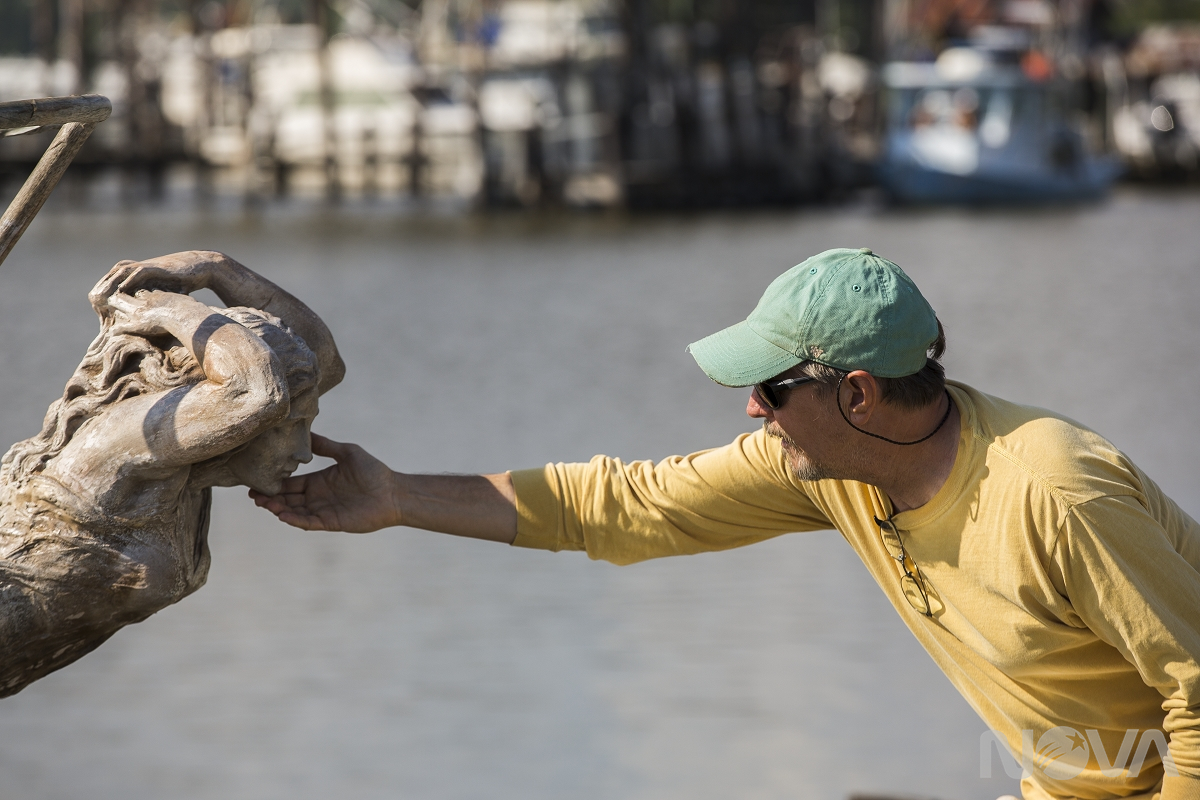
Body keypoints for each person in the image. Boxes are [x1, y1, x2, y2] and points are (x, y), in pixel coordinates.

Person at [251, 247, 1200, 800]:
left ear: (858, 393)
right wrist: (398, 498)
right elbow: (624, 504)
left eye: (770, 388)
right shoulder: (831, 471)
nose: (751, 410)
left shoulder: (1057, 496)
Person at [0, 251, 345, 697]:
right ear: (199, 396)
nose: (305, 452)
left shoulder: (187, 464)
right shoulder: (119, 442)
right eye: (288, 427)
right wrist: (166, 309)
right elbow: (254, 394)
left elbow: (323, 362)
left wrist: (216, 268)